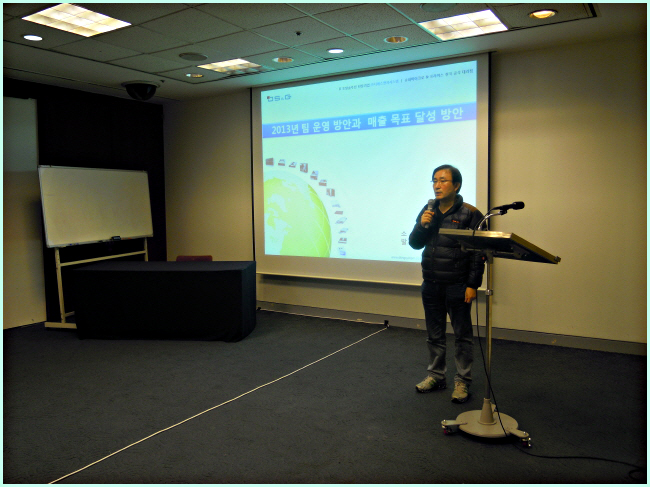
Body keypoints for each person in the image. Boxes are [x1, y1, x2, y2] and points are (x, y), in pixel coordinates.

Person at [408, 164, 485, 403]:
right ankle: (436, 375)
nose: (437, 185)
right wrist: (422, 224)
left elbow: (478, 253)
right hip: (431, 283)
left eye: (443, 180)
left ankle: (462, 381)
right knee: (434, 334)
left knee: (462, 336)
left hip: (458, 285)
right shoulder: (428, 210)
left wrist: (472, 284)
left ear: (456, 185)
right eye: (434, 181)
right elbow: (414, 243)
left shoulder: (471, 214)